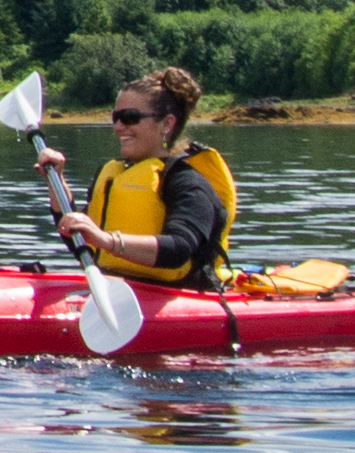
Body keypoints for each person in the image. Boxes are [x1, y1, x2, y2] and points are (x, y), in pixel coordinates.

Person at [35, 66, 236, 290]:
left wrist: (107, 240)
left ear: (166, 124)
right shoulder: (113, 174)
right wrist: (56, 180)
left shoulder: (189, 182)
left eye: (130, 118)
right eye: (116, 118)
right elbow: (80, 241)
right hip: (118, 290)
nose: (119, 127)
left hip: (180, 297)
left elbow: (179, 248)